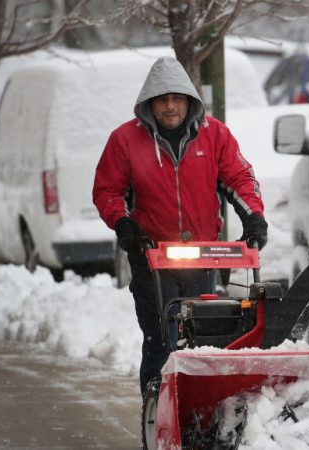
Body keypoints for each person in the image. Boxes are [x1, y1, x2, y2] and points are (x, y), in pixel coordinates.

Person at [92, 56, 268, 396]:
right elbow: (107, 190)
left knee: (206, 337)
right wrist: (124, 225)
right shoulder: (125, 140)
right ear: (150, 104)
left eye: (176, 99)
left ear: (189, 100)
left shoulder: (215, 135)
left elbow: (240, 178)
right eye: (162, 100)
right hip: (151, 257)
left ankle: (203, 411)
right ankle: (158, 415)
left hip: (203, 255)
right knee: (161, 340)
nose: (170, 107)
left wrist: (254, 218)